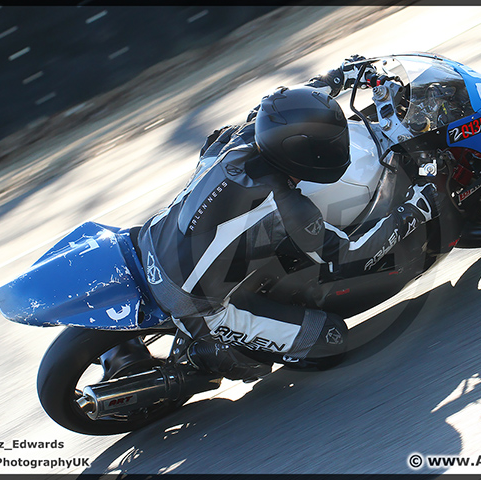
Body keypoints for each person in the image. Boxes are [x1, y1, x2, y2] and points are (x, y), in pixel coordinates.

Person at [136, 56, 438, 381]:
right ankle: (209, 353)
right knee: (329, 338)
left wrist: (339, 77)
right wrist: (415, 210)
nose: (339, 148)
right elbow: (349, 254)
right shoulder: (282, 205)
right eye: (332, 146)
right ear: (303, 156)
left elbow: (282, 106)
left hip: (153, 238)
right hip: (194, 303)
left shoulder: (243, 136)